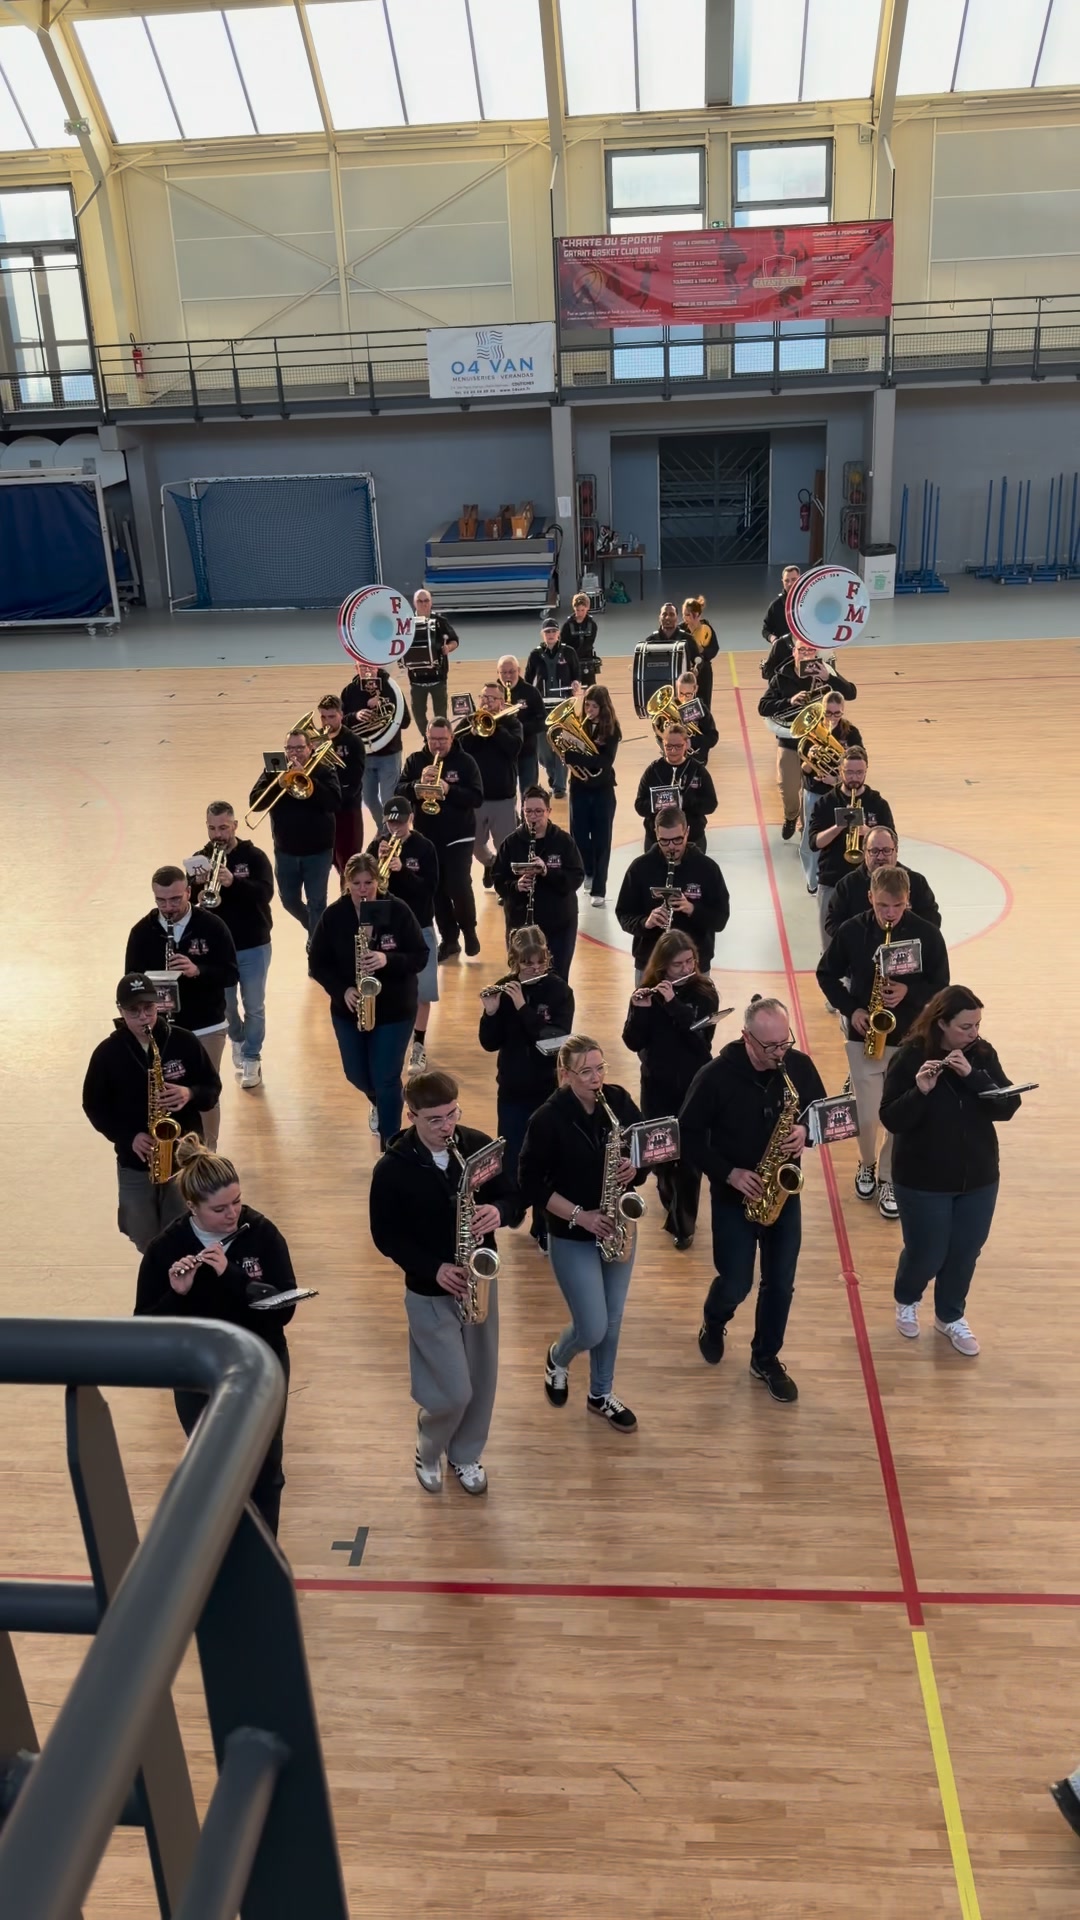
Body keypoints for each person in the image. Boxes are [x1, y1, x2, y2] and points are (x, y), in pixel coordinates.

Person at [133, 1137, 298, 1536]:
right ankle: (219, 1553)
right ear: (192, 1206)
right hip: (197, 1373)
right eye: (220, 1208)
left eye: (237, 1201)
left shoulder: (260, 1233)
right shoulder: (165, 1249)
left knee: (265, 1470)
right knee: (213, 1469)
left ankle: (264, 1557)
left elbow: (284, 1309)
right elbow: (144, 1329)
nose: (233, 1214)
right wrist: (178, 1293)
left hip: (261, 1363)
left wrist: (233, 1277)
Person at [369, 1070, 516, 1496]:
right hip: (430, 1291)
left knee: (482, 1382)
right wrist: (433, 1268)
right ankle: (429, 1445)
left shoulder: (476, 1145)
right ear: (411, 1116)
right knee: (452, 1392)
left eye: (452, 1114)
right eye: (434, 1119)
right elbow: (386, 1236)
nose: (447, 1126)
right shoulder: (392, 1170)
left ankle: (466, 1454)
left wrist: (500, 1213)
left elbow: (513, 1194)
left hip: (479, 1281)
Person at [680, 996, 826, 1403]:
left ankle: (765, 1357)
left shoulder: (795, 1066)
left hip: (782, 1191)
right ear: (747, 1038)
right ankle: (715, 1317)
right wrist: (729, 1172)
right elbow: (686, 1137)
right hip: (734, 1194)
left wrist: (806, 1131)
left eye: (786, 1043)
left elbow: (823, 1113)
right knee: (737, 1283)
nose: (781, 1054)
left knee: (780, 1284)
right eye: (771, 1047)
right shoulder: (714, 1078)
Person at [881, 986, 1021, 1356]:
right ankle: (907, 1298)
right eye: (965, 1026)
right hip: (923, 1179)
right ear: (941, 1023)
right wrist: (920, 1091)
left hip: (978, 1177)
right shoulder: (911, 1056)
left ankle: (950, 1316)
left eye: (977, 1025)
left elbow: (1007, 1105)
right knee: (927, 1253)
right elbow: (891, 1118)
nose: (973, 1033)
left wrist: (975, 1076)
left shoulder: (982, 1054)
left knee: (964, 1252)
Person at [519, 1036, 647, 1432]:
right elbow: (529, 1184)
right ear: (565, 1075)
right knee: (591, 1326)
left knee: (612, 1319)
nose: (596, 1079)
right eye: (586, 1072)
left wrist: (635, 1168)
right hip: (572, 1232)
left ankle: (600, 1393)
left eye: (600, 1068)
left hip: (617, 1224)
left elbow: (645, 1148)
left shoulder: (618, 1101)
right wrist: (581, 1216)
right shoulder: (547, 1119)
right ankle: (558, 1357)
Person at [817, 864, 950, 1220]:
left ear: (908, 901)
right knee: (866, 1114)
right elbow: (825, 974)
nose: (890, 914)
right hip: (866, 1037)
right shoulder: (851, 931)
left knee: (899, 1115)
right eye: (882, 907)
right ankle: (867, 1163)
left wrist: (910, 990)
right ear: (870, 898)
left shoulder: (927, 935)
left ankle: (889, 1176)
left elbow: (942, 986)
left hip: (911, 1038)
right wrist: (852, 1009)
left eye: (897, 906)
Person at [82, 973, 222, 1253]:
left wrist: (189, 1093)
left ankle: (179, 1285)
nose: (143, 1017)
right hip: (136, 1159)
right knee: (141, 1232)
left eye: (149, 1009)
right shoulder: (108, 1053)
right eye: (133, 1011)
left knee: (183, 1230)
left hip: (184, 1158)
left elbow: (212, 1089)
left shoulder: (183, 1042)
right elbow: (94, 1106)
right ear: (120, 1010)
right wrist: (127, 1136)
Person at [308, 852, 427, 1147]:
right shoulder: (335, 916)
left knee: (386, 1078)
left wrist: (387, 959)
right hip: (349, 1009)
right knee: (357, 1075)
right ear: (347, 883)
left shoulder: (397, 911)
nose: (363, 890)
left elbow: (420, 955)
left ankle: (392, 1144)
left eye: (369, 882)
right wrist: (342, 989)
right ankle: (382, 1102)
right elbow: (317, 964)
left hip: (395, 1009)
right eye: (357, 883)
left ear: (378, 880)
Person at [124, 865, 238, 1150]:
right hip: (161, 1028)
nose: (168, 907)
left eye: (175, 899)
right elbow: (130, 982)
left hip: (206, 1026)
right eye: (161, 901)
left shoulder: (213, 926)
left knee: (204, 1092)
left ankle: (207, 1155)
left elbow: (231, 973)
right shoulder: (141, 933)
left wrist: (197, 970)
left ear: (189, 891)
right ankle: (169, 1152)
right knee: (164, 1093)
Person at [622, 931, 720, 1251]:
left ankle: (684, 1225)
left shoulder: (705, 993)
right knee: (661, 1157)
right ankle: (669, 1196)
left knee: (690, 1159)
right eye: (677, 964)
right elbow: (633, 1042)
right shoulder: (646, 992)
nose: (685, 968)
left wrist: (673, 1003)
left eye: (689, 961)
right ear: (663, 967)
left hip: (694, 1086)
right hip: (657, 1085)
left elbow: (700, 1041)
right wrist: (640, 1010)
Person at [479, 926, 574, 1251]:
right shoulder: (505, 989)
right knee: (513, 1156)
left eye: (539, 962)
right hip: (512, 1087)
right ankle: (517, 1203)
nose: (534, 968)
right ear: (514, 963)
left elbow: (554, 1041)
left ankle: (543, 1224)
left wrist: (522, 1008)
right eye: (526, 963)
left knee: (546, 1158)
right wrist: (491, 1012)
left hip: (547, 1088)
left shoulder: (559, 991)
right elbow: (490, 1043)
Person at [188, 802, 274, 1092]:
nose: (218, 834)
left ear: (235, 826)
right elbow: (187, 905)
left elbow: (265, 894)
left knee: (254, 1006)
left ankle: (252, 1056)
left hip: (253, 945)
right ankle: (237, 1038)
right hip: (218, 950)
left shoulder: (254, 856)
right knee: (225, 1006)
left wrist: (234, 882)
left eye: (223, 827)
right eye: (212, 828)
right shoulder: (199, 859)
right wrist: (196, 888)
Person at [396, 718, 483, 961]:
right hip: (427, 836)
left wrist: (448, 789)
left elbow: (476, 797)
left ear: (451, 738)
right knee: (435, 889)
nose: (437, 745)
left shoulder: (465, 762)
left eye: (442, 740)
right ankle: (450, 938)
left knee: (457, 884)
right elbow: (399, 791)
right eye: (433, 739)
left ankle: (469, 929)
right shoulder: (416, 761)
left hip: (459, 835)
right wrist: (417, 784)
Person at [247, 727, 341, 944]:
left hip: (318, 852)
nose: (294, 753)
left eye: (300, 748)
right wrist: (278, 783)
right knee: (288, 900)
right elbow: (255, 803)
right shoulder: (275, 767)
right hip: (286, 851)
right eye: (289, 748)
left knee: (317, 902)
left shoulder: (323, 769)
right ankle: (317, 929)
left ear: (310, 748)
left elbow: (334, 802)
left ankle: (315, 947)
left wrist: (309, 781)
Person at [760, 639, 858, 844]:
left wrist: (829, 677)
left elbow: (850, 693)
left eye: (810, 650)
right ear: (794, 652)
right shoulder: (781, 677)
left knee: (813, 790)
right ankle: (790, 815)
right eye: (801, 649)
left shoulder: (824, 670)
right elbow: (763, 707)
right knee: (787, 787)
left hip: (819, 742)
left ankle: (806, 832)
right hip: (790, 739)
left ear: (815, 653)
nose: (806, 653)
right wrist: (789, 701)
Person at [616, 805, 730, 979]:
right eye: (664, 841)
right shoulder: (640, 868)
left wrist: (693, 910)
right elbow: (624, 915)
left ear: (687, 832)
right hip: (651, 964)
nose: (671, 847)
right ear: (656, 835)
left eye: (677, 840)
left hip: (694, 968)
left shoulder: (707, 869)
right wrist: (645, 923)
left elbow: (720, 919)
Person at [368, 796, 439, 1073]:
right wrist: (378, 861)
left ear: (411, 819)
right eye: (390, 822)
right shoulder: (377, 846)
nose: (395, 828)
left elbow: (430, 889)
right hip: (385, 926)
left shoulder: (424, 848)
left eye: (400, 822)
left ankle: (419, 1044)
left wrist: (403, 871)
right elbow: (364, 886)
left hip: (419, 926)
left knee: (423, 991)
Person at [491, 785, 584, 983]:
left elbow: (576, 877)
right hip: (521, 924)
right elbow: (498, 880)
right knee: (521, 979)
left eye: (539, 811)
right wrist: (516, 886)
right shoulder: (511, 843)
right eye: (528, 811)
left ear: (549, 811)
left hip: (559, 925)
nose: (533, 817)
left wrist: (547, 872)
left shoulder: (563, 842)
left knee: (557, 979)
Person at [808, 745, 894, 949]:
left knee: (870, 944)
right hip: (832, 881)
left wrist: (869, 833)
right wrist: (839, 826)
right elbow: (814, 843)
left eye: (859, 772)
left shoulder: (878, 803)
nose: (854, 777)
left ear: (866, 771)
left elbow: (893, 840)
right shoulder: (826, 803)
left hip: (870, 883)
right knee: (830, 945)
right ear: (840, 771)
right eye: (849, 772)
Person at [797, 691, 863, 896]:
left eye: (837, 714)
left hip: (841, 792)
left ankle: (839, 880)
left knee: (841, 835)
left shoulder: (851, 732)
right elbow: (804, 768)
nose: (832, 718)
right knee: (811, 836)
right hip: (815, 792)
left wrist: (835, 780)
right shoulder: (811, 731)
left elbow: (860, 763)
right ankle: (812, 880)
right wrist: (810, 757)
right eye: (828, 713)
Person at [825, 826, 941, 939]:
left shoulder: (916, 881)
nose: (880, 857)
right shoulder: (847, 885)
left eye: (886, 851)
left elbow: (932, 920)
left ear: (896, 851)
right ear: (865, 853)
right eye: (874, 851)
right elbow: (832, 924)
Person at [564, 684, 620, 906]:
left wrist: (575, 758)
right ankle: (588, 870)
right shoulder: (578, 725)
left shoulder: (613, 729)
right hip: (579, 787)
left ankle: (599, 888)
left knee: (601, 840)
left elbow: (604, 762)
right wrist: (567, 756)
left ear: (603, 707)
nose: (589, 710)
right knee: (577, 836)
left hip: (602, 790)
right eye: (587, 705)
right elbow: (567, 750)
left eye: (594, 706)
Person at [341, 661, 412, 830]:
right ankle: (384, 829)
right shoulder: (349, 691)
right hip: (363, 754)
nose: (366, 670)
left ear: (377, 668)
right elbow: (340, 722)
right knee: (370, 800)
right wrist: (355, 716)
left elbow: (406, 721)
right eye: (362, 666)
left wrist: (384, 705)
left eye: (370, 667)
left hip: (389, 753)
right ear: (355, 668)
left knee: (389, 798)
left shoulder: (391, 688)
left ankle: (389, 833)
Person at [467, 685, 523, 887]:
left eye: (492, 698)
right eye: (484, 697)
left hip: (503, 799)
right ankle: (491, 864)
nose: (487, 702)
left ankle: (505, 885)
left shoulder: (512, 723)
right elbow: (459, 748)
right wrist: (473, 733)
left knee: (506, 846)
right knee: (474, 844)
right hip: (477, 798)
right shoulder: (471, 721)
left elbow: (514, 749)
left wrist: (494, 726)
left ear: (502, 702)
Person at [634, 723, 717, 853]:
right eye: (669, 746)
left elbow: (711, 804)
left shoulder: (697, 770)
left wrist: (686, 801)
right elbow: (639, 806)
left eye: (678, 746)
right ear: (663, 744)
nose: (673, 751)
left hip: (692, 839)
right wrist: (658, 803)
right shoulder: (653, 770)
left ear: (687, 744)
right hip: (657, 840)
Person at [525, 615, 581, 799]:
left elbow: (577, 676)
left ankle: (559, 786)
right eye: (547, 632)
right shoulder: (535, 654)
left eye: (553, 631)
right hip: (542, 707)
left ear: (558, 633)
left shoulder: (569, 652)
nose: (550, 634)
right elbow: (527, 680)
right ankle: (553, 775)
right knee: (542, 749)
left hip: (563, 707)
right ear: (543, 634)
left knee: (562, 746)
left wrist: (575, 685)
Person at [317, 693, 366, 875]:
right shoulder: (314, 741)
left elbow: (354, 781)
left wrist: (332, 798)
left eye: (331, 716)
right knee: (321, 866)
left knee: (348, 866)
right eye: (323, 716)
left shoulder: (353, 742)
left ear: (341, 714)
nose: (326, 721)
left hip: (347, 811)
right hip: (323, 814)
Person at [405, 588, 458, 731]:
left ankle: (442, 737)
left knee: (441, 715)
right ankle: (426, 738)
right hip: (416, 680)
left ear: (431, 602)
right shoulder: (406, 622)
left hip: (438, 678)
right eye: (419, 601)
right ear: (414, 603)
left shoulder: (440, 621)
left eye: (426, 601)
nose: (423, 604)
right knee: (419, 714)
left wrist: (449, 648)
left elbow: (454, 640)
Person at [496, 653, 546, 798]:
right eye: (503, 672)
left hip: (527, 752)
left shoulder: (531, 692)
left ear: (519, 670)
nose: (508, 676)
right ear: (498, 673)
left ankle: (527, 821)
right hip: (503, 754)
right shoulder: (493, 693)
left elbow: (542, 721)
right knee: (506, 795)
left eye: (511, 672)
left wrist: (519, 727)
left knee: (529, 793)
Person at [673, 668, 718, 765]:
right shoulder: (672, 706)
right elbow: (659, 736)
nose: (684, 698)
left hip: (696, 761)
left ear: (695, 689)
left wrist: (691, 742)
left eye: (688, 694)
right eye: (681, 693)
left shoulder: (702, 710)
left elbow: (713, 738)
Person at [681, 596, 719, 711]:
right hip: (685, 673)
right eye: (684, 614)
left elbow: (714, 650)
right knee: (685, 708)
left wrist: (700, 649)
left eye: (688, 614)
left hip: (703, 674)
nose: (685, 618)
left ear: (697, 614)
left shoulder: (706, 628)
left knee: (704, 707)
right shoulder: (680, 630)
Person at [560, 592, 600, 685]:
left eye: (583, 610)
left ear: (587, 608)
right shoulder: (567, 626)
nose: (580, 613)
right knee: (569, 687)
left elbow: (589, 643)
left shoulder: (592, 625)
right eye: (578, 610)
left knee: (590, 688)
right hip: (570, 660)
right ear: (574, 609)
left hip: (586, 659)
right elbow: (563, 643)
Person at [761, 563, 801, 656]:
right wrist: (774, 640)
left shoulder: (811, 602)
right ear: (782, 582)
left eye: (794, 579)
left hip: (808, 651)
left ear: (800, 579)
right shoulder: (775, 606)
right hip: (785, 652)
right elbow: (765, 630)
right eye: (786, 581)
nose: (790, 583)